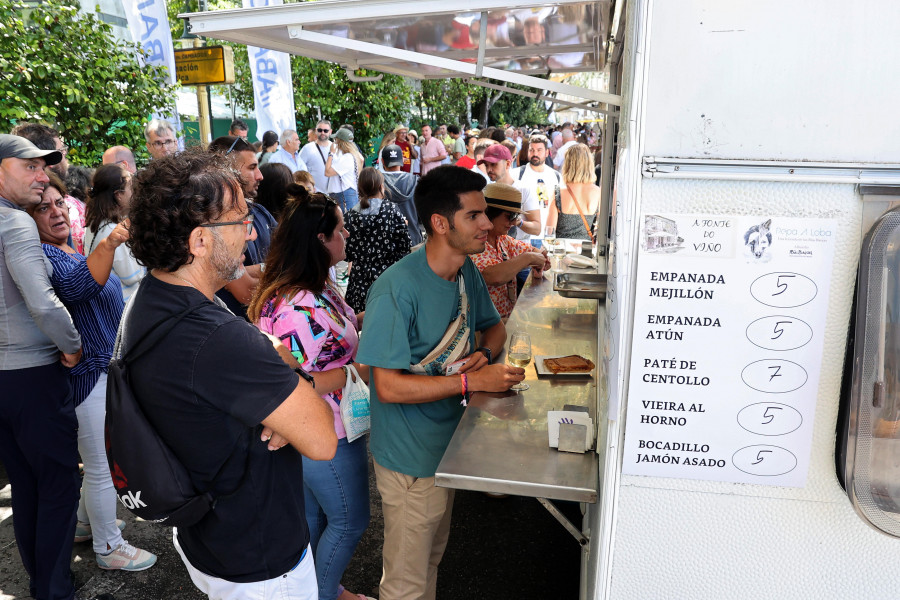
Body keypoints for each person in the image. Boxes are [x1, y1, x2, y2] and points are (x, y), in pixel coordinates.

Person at [124, 147, 337, 599]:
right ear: (200, 241)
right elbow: (320, 438)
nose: (252, 231)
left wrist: (274, 379)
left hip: (208, 534)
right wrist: (287, 389)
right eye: (240, 220)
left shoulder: (152, 297)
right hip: (258, 560)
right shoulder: (217, 337)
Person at [356, 165, 525, 600]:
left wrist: (483, 356)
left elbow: (495, 328)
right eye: (475, 216)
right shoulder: (395, 289)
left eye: (486, 214)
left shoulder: (466, 271)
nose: (488, 224)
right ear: (439, 222)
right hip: (411, 459)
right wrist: (471, 383)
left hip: (448, 449)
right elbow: (388, 387)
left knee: (429, 559)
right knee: (405, 582)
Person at [28, 173, 157, 572]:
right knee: (101, 466)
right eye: (42, 208)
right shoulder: (46, 258)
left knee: (95, 462)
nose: (56, 212)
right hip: (88, 376)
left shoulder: (67, 249)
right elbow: (78, 288)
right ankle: (109, 547)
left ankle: (87, 523)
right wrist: (114, 240)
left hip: (100, 371)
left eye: (59, 204)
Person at [250, 187, 374, 600]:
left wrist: (361, 318)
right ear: (319, 239)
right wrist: (357, 371)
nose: (347, 236)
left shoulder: (315, 286)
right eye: (340, 229)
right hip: (323, 429)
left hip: (323, 426)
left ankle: (324, 588)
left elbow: (324, 343)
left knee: (315, 518)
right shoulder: (296, 307)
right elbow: (287, 381)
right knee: (350, 520)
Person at [0, 134, 84, 600]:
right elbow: (44, 303)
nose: (41, 175)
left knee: (28, 484)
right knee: (57, 485)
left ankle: (43, 583)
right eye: (29, 166)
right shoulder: (14, 223)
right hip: (32, 375)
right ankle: (54, 590)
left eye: (42, 166)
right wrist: (70, 347)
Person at [208, 135, 277, 320]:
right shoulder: (215, 226)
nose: (260, 176)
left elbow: (287, 257)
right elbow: (246, 292)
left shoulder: (261, 212)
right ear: (225, 170)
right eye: (252, 168)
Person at [469, 183, 549, 319]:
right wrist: (528, 258)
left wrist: (539, 259)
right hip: (483, 328)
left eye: (515, 217)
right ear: (490, 214)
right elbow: (493, 276)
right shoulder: (473, 242)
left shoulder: (502, 240)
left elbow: (536, 252)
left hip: (505, 320)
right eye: (509, 216)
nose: (513, 222)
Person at [344, 167, 411, 313]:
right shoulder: (391, 210)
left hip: (359, 283)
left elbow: (347, 253)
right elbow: (405, 247)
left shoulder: (350, 215)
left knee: (363, 325)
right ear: (381, 186)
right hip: (388, 279)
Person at [83, 165, 146, 302]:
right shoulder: (112, 230)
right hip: (122, 303)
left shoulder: (95, 222)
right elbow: (131, 276)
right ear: (118, 195)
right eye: (130, 186)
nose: (135, 191)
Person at [479, 144, 541, 239]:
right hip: (495, 250)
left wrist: (518, 221)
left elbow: (537, 229)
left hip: (520, 249)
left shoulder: (524, 189)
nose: (489, 169)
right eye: (486, 165)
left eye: (493, 164)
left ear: (508, 164)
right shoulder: (486, 191)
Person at [547, 143, 602, 241]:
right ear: (589, 164)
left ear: (568, 164)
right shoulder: (598, 192)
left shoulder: (558, 192)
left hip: (561, 252)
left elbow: (549, 231)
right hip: (585, 252)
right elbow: (600, 229)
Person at [516, 133, 562, 245]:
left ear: (547, 152)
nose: (535, 154)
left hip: (547, 239)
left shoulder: (556, 176)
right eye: (531, 150)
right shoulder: (517, 174)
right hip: (523, 238)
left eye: (539, 150)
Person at [380, 144, 423, 246]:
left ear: (382, 161)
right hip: (413, 239)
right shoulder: (415, 181)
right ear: (403, 160)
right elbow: (422, 215)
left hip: (386, 242)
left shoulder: (377, 182)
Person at [324, 128, 364, 213]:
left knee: (345, 223)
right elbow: (362, 159)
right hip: (345, 193)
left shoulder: (347, 157)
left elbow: (327, 172)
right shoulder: (353, 155)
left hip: (343, 194)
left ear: (340, 141)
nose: (334, 142)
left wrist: (331, 153)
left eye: (335, 140)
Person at [300, 120, 336, 192]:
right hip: (315, 194)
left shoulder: (335, 147)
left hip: (334, 194)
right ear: (316, 131)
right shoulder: (307, 148)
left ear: (330, 132)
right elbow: (299, 170)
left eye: (325, 131)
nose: (322, 133)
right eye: (320, 130)